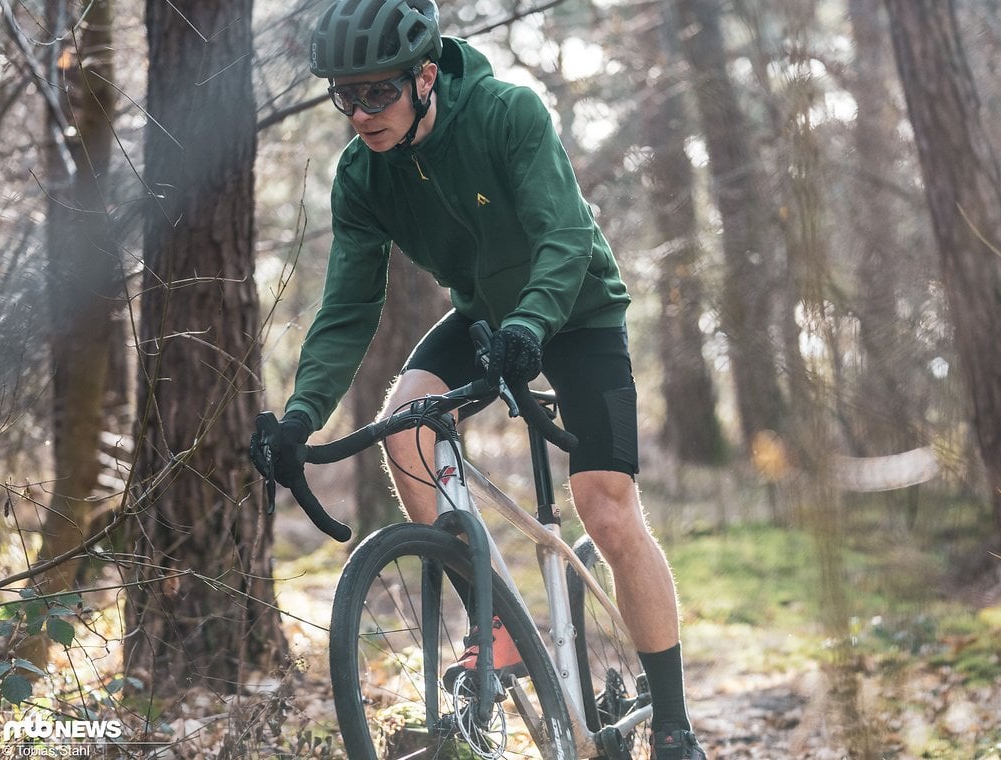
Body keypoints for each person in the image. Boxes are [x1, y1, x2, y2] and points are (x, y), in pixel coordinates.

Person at [267, 1, 707, 757]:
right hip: (484, 318)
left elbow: (564, 237)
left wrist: (532, 326)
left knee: (604, 507)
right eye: (347, 94)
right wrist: (302, 414)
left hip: (576, 310)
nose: (361, 112)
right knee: (405, 425)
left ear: (426, 76)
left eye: (378, 92)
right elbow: (347, 303)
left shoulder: (509, 113)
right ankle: (496, 626)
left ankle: (674, 725)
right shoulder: (362, 175)